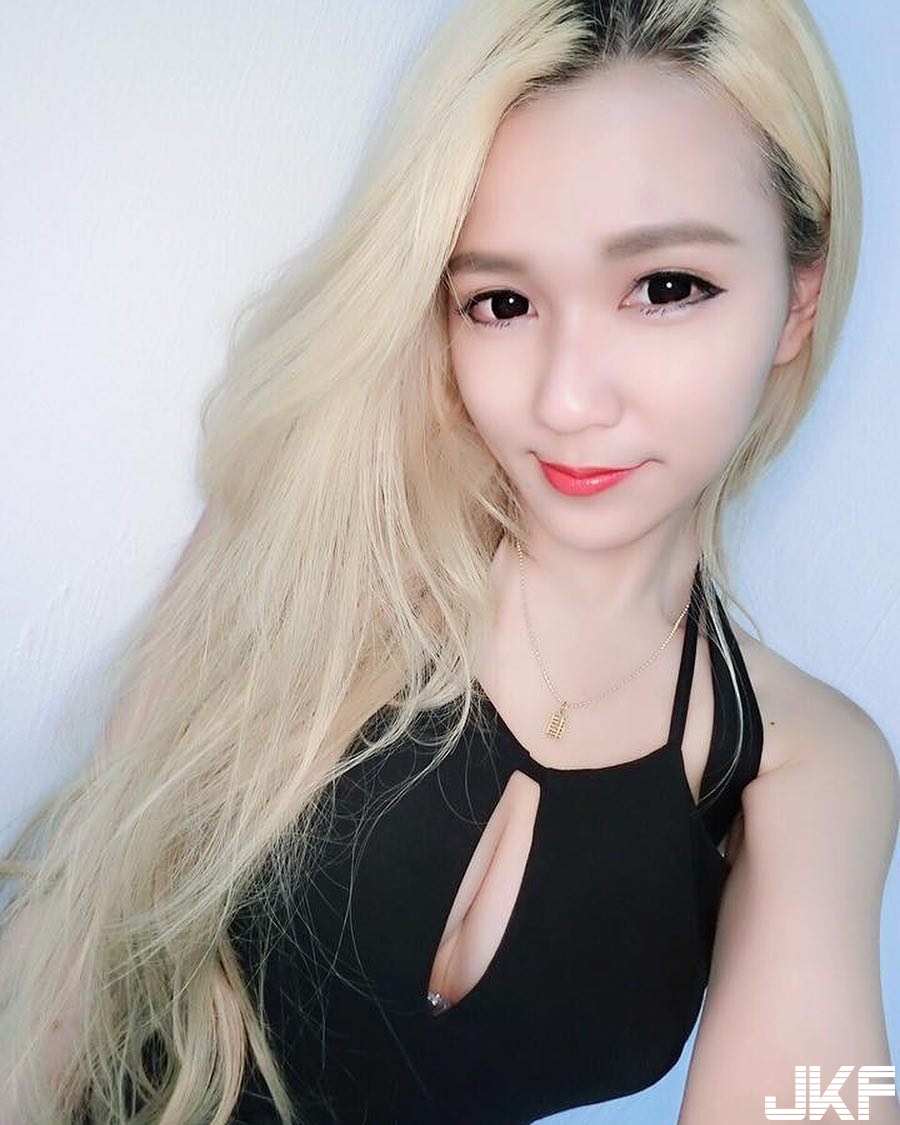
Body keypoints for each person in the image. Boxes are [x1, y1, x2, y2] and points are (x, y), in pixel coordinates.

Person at [1, 0, 898, 1122]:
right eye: (502, 303)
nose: (567, 399)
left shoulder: (803, 764)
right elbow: (68, 955)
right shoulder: (307, 547)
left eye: (666, 287)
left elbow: (820, 1100)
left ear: (797, 301)